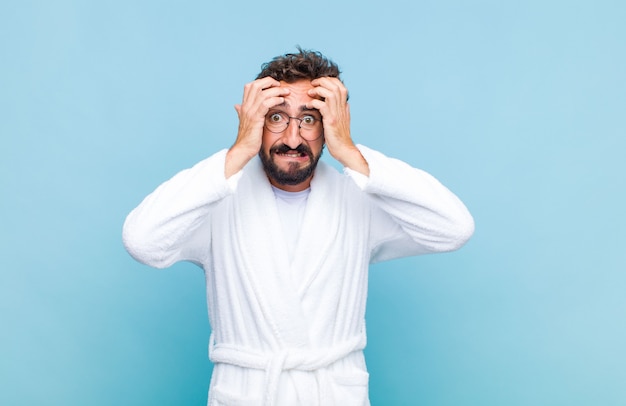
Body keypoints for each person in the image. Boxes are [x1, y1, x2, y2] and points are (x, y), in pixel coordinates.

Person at [122, 48, 474, 406]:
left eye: (309, 119)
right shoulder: (217, 200)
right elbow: (143, 241)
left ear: (331, 125)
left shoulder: (360, 201)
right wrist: (238, 151)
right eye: (276, 117)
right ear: (254, 122)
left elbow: (454, 228)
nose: (292, 138)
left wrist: (350, 151)